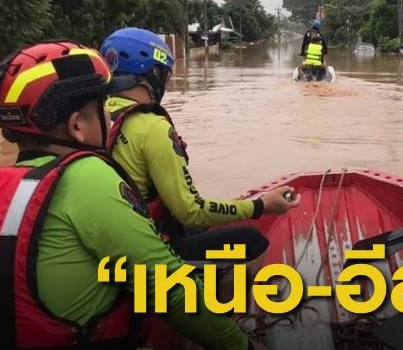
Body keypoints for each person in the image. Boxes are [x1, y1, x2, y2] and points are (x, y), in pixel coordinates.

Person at [0, 43, 278, 350]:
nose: (110, 118)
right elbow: (168, 289)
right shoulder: (88, 176)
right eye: (103, 110)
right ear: (77, 125)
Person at [99, 28, 298, 264]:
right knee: (251, 241)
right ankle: (213, 299)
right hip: (146, 251)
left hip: (114, 241)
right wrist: (259, 206)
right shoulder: (153, 127)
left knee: (198, 230)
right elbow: (191, 211)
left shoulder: (95, 118)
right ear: (154, 75)